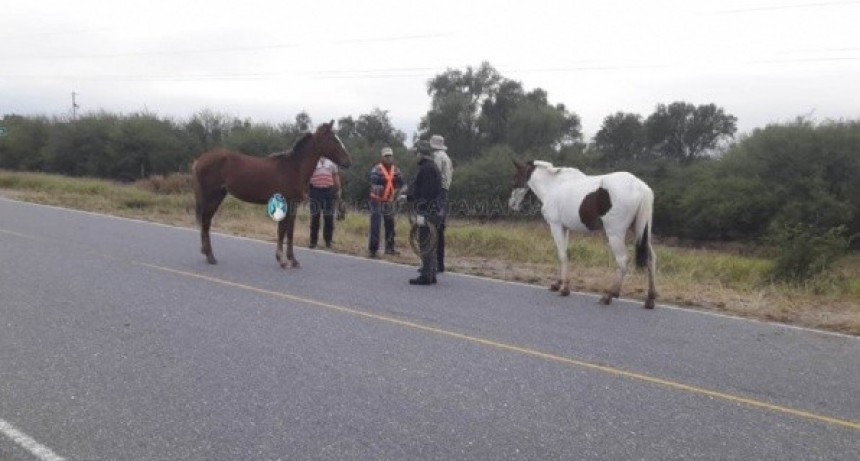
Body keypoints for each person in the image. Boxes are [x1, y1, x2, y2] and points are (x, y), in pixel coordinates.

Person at [404, 141, 442, 285]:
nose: (416, 156)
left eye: (417, 153)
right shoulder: (432, 167)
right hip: (435, 210)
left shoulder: (425, 169)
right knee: (431, 243)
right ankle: (431, 273)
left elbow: (425, 193)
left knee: (425, 242)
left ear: (421, 154)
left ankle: (426, 275)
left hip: (427, 211)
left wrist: (410, 199)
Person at [368, 147, 405, 258]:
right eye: (386, 156)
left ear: (392, 157)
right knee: (376, 224)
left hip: (389, 200)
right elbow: (373, 182)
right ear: (382, 157)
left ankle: (390, 248)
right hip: (376, 200)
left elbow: (403, 184)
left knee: (390, 224)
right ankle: (373, 250)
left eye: (390, 156)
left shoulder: (396, 170)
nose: (388, 158)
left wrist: (401, 192)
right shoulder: (376, 169)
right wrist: (377, 188)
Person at [428, 134, 453, 272]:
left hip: (438, 193)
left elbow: (435, 176)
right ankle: (440, 263)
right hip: (445, 192)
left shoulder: (437, 157)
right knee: (441, 229)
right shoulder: (447, 158)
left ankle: (433, 263)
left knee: (432, 228)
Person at [308, 156, 341, 249]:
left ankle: (328, 241)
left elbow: (335, 175)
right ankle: (313, 242)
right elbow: (308, 175)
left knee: (328, 218)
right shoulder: (312, 160)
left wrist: (338, 189)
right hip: (315, 191)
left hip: (328, 192)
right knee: (315, 217)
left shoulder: (332, 162)